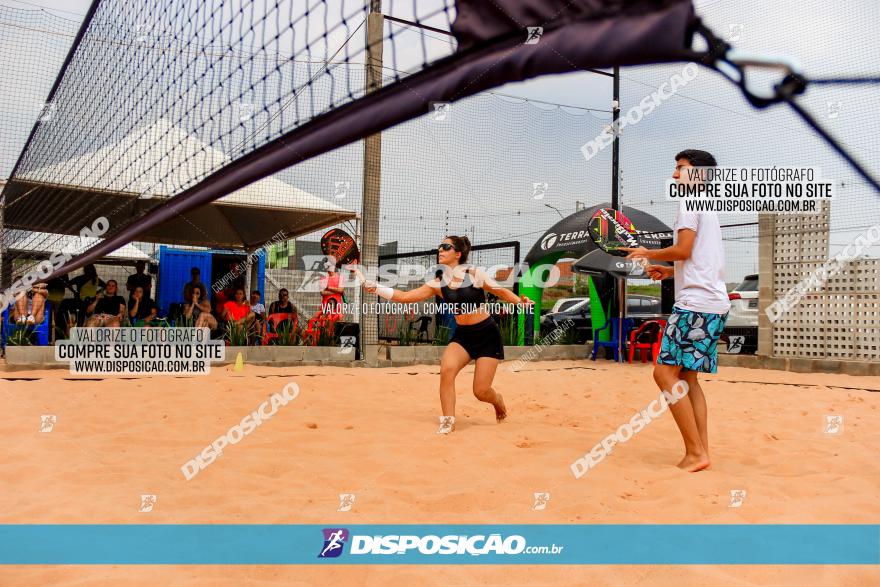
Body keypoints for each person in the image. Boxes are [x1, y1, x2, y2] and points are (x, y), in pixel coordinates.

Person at [622, 149, 731, 472]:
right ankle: (702, 451)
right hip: (713, 303)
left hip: (695, 305)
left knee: (664, 374)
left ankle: (696, 452)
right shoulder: (707, 206)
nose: (674, 175)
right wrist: (669, 272)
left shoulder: (689, 203)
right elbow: (699, 259)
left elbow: (683, 250)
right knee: (688, 378)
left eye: (680, 168)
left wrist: (648, 252)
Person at [359, 235, 533, 434]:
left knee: (481, 391)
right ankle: (448, 420)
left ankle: (498, 401)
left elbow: (501, 292)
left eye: (445, 247)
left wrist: (521, 303)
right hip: (463, 336)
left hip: (487, 334)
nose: (440, 250)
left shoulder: (474, 274)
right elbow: (405, 297)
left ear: (458, 254)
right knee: (447, 371)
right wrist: (377, 288)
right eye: (439, 247)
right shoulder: (438, 284)